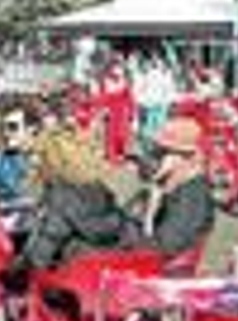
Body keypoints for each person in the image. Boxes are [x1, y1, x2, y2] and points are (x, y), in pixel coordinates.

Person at [16, 126, 134, 272]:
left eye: (34, 155)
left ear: (49, 160)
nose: (30, 163)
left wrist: (19, 268)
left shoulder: (60, 196)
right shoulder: (95, 185)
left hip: (79, 272)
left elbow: (44, 246)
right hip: (113, 265)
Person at [136, 116, 215, 261]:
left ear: (184, 158)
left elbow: (161, 250)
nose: (153, 159)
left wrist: (149, 215)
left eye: (160, 153)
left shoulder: (192, 198)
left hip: (161, 271)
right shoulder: (170, 185)